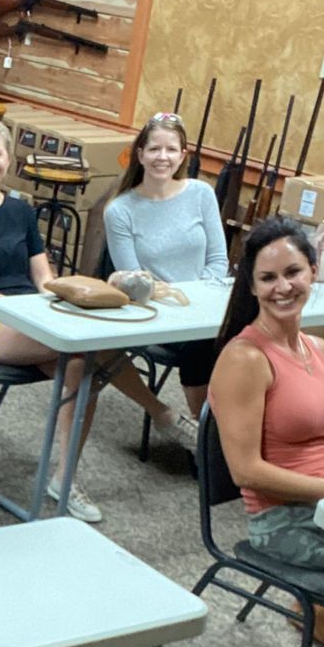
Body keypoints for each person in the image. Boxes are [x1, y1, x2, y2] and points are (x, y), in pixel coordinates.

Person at [0, 116, 178, 524]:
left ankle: (63, 479)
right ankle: (162, 413)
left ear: (9, 159)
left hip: (34, 316)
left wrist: (73, 296)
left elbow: (43, 278)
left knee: (82, 369)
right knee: (86, 347)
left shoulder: (20, 211)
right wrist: (20, 309)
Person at [207, 216, 324, 570]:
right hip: (282, 518)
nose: (283, 286)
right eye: (268, 278)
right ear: (252, 287)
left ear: (313, 272)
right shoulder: (244, 359)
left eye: (293, 272)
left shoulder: (320, 349)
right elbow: (246, 472)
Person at [102, 111, 229, 444]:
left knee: (244, 338)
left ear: (183, 155)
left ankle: (238, 432)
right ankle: (206, 440)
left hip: (205, 306)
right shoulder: (120, 210)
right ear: (140, 154)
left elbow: (218, 261)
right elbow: (134, 284)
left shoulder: (202, 194)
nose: (163, 157)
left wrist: (201, 302)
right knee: (205, 345)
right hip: (158, 314)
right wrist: (182, 308)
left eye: (171, 149)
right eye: (154, 149)